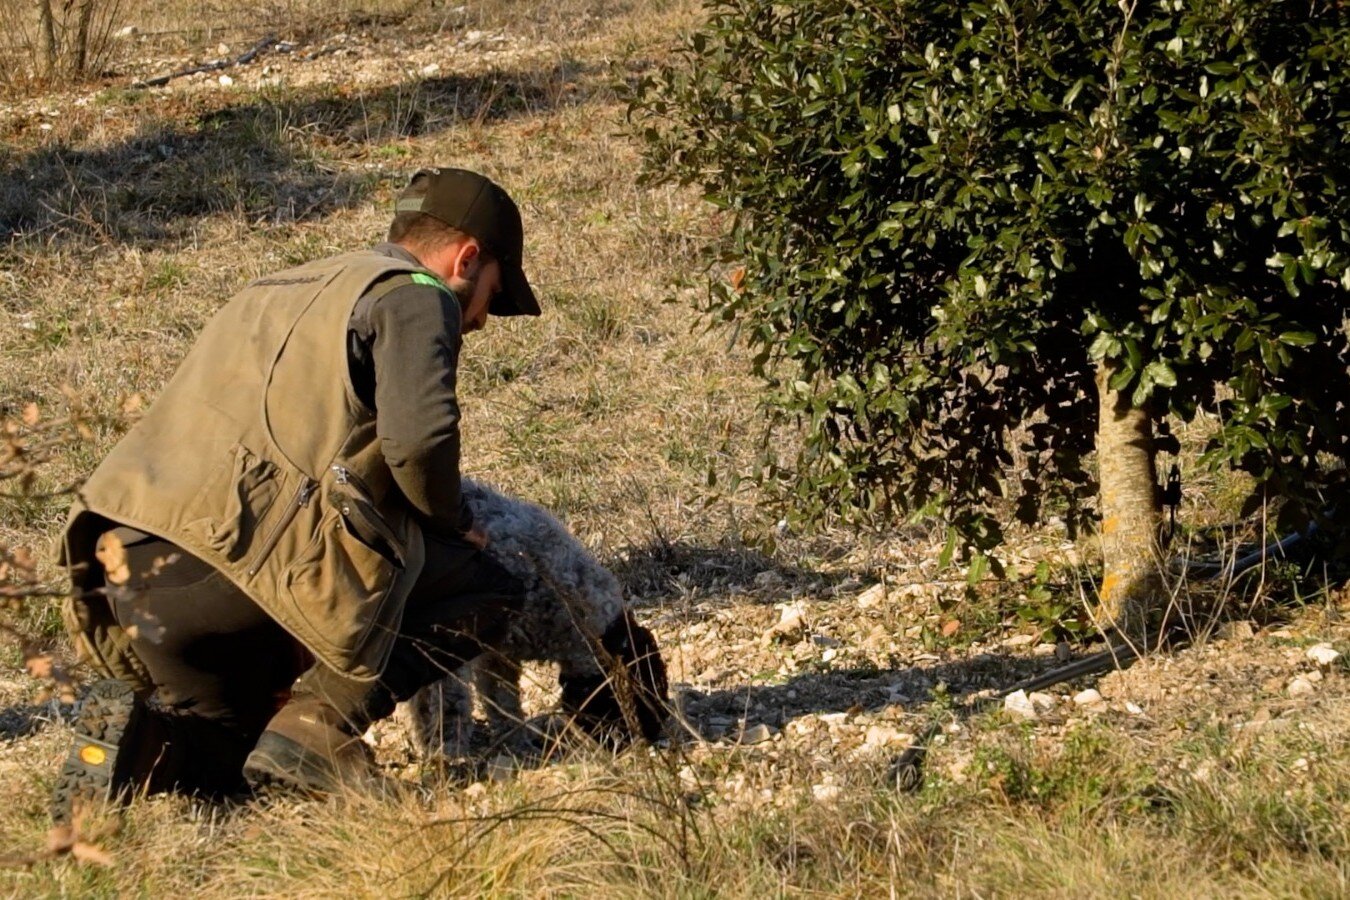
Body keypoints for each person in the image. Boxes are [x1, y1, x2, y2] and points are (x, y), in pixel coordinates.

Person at [52, 168, 540, 819]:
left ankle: (138, 752)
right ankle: (324, 725)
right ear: (468, 257)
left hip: (128, 565)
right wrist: (455, 524)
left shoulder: (279, 284)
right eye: (492, 294)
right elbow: (419, 446)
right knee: (488, 583)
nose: (481, 318)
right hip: (237, 571)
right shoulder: (415, 294)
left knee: (230, 768)